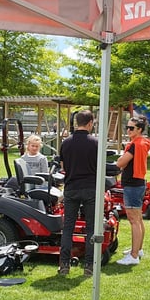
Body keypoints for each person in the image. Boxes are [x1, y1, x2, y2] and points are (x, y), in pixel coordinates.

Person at [57, 110, 98, 277]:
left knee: (68, 227)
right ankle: (89, 265)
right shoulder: (95, 143)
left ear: (76, 122)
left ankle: (64, 264)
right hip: (90, 188)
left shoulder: (66, 143)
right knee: (91, 228)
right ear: (90, 123)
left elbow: (62, 166)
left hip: (71, 187)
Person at [115, 116, 150, 266]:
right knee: (138, 219)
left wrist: (119, 160)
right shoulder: (142, 143)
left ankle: (134, 255)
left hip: (133, 184)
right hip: (138, 183)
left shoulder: (135, 145)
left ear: (140, 130)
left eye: (131, 128)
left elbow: (121, 163)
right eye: (127, 127)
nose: (128, 130)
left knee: (134, 220)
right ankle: (138, 249)